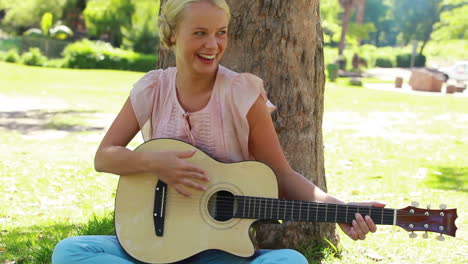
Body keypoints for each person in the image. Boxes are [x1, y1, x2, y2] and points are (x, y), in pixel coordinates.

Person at [52, 0, 385, 263]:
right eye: (199, 33)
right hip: (153, 244)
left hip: (223, 253)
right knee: (70, 252)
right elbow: (104, 157)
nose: (213, 44)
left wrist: (338, 208)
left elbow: (282, 175)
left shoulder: (244, 94)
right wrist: (158, 165)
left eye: (221, 32)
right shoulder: (152, 89)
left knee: (288, 261)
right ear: (171, 37)